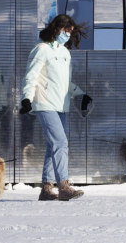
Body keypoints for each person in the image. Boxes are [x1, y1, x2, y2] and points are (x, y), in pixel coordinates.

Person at [23, 14, 90, 201]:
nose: (67, 35)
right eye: (65, 31)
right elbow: (31, 76)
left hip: (61, 105)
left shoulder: (65, 53)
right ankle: (63, 186)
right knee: (60, 143)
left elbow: (65, 83)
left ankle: (46, 188)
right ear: (55, 29)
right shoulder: (41, 49)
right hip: (44, 103)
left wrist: (80, 93)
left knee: (53, 145)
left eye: (70, 32)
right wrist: (26, 99)